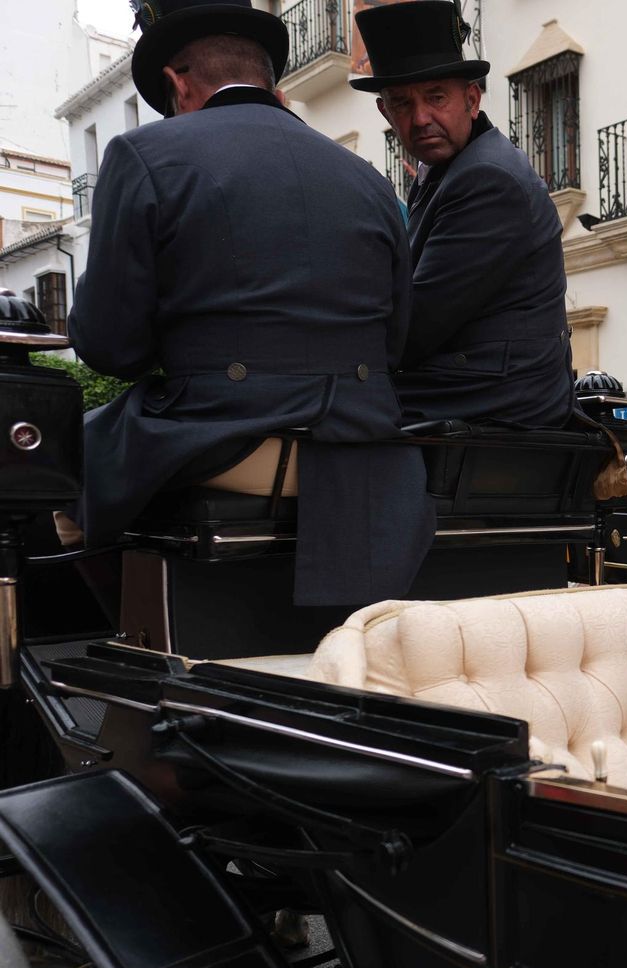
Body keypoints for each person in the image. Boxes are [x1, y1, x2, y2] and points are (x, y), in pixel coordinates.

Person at [68, 0, 431, 607]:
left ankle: (120, 647)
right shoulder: (369, 178)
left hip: (226, 436)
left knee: (54, 463)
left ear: (177, 82)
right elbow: (395, 340)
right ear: (273, 81)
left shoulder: (143, 155)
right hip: (364, 444)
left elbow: (110, 348)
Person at [354, 0, 571, 428]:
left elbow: (412, 331)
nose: (420, 118)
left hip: (498, 401)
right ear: (384, 113)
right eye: (401, 103)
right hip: (469, 384)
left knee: (331, 406)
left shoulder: (488, 178)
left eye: (436, 97)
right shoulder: (445, 165)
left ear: (471, 99)